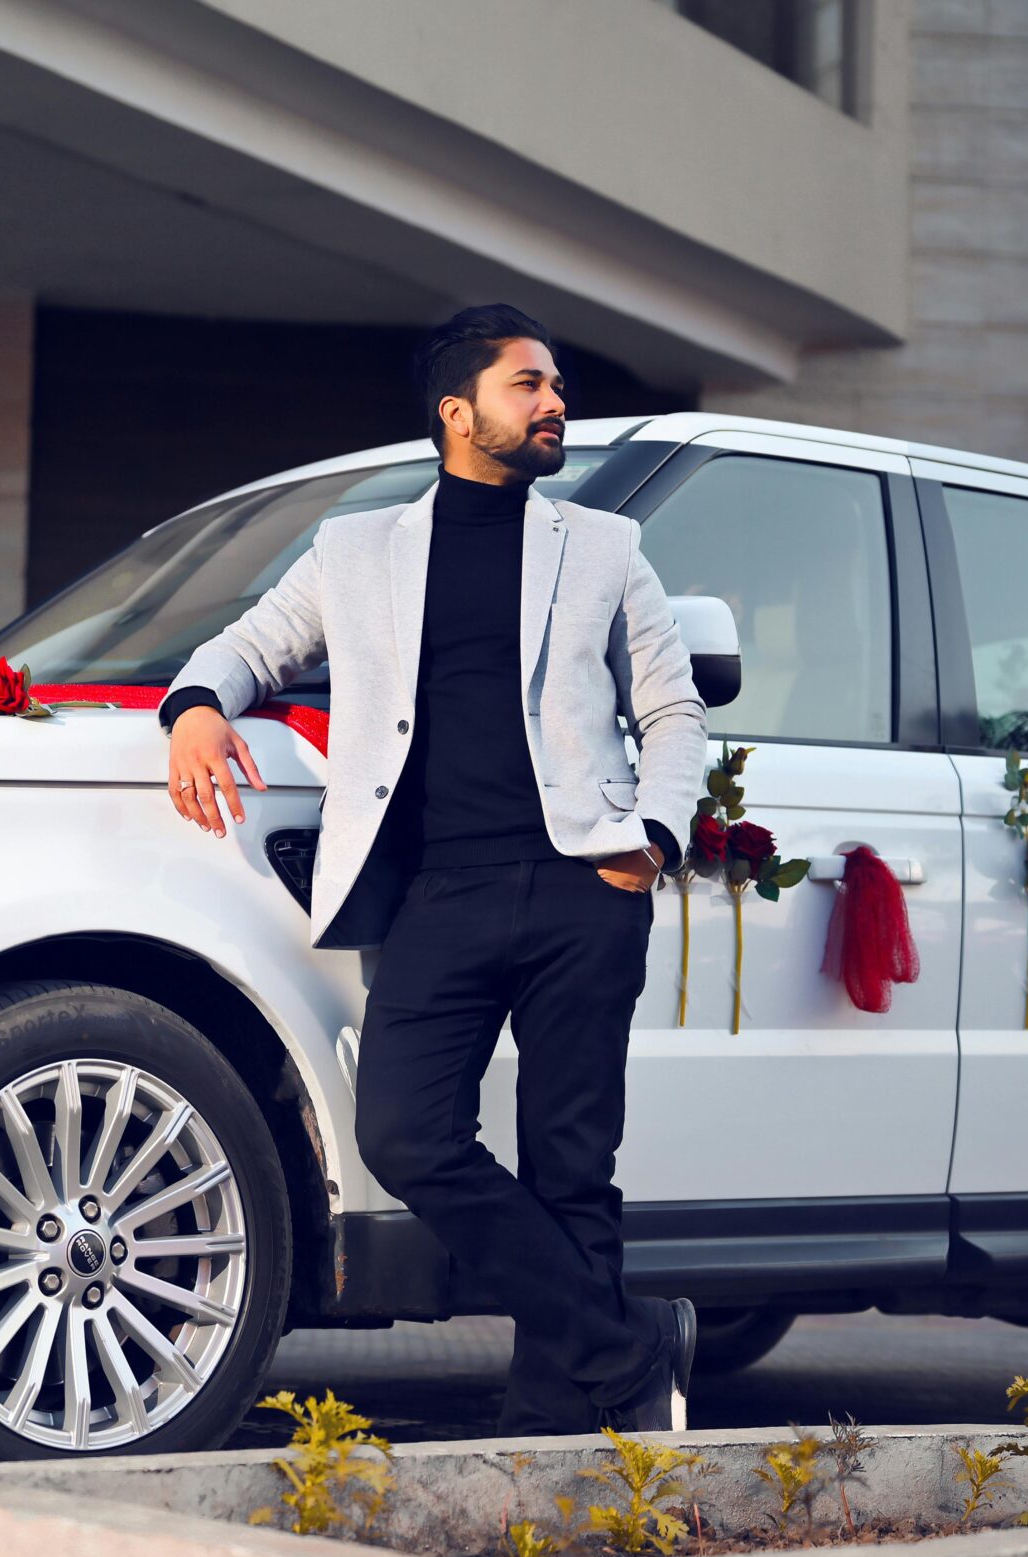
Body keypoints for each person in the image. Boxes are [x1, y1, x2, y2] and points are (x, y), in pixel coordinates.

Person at [155, 304, 706, 1435]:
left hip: (578, 882)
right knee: (405, 1135)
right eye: (528, 385)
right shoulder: (357, 552)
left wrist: (650, 835)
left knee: (571, 1158)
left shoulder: (603, 546)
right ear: (459, 414)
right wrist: (196, 706)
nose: (555, 402)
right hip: (434, 891)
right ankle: (627, 1343)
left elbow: (672, 708)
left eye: (554, 383)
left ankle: (561, 1418)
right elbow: (251, 645)